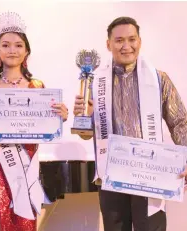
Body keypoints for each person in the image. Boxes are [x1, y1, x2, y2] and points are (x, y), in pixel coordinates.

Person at [73, 16, 187, 231]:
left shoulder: (159, 79)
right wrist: (84, 118)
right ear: (108, 44)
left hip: (150, 175)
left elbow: (180, 122)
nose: (126, 46)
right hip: (111, 176)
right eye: (119, 40)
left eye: (132, 39)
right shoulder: (95, 82)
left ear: (140, 41)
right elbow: (86, 134)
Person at [0, 12, 68, 231]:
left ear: (26, 51)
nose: (12, 50)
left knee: (24, 225)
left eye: (18, 45)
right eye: (6, 45)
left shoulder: (37, 87)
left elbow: (45, 128)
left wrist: (61, 117)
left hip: (26, 165)